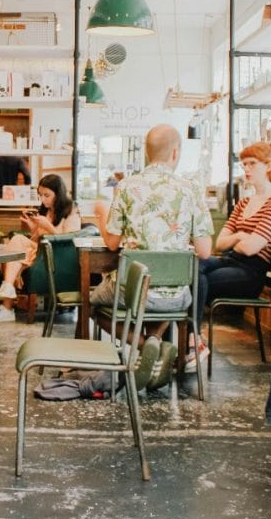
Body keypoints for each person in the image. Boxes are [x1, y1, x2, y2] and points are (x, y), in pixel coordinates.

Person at [91, 124, 214, 385]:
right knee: (164, 297)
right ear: (175, 153)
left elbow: (112, 243)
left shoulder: (126, 187)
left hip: (132, 293)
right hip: (178, 297)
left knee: (93, 302)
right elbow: (204, 251)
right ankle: (155, 342)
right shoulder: (191, 189)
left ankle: (146, 345)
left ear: (147, 153)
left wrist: (101, 216)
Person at [196, 141, 271, 330]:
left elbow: (251, 248)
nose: (246, 169)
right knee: (192, 266)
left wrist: (241, 241)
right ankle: (190, 338)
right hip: (230, 260)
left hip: (251, 273)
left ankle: (191, 337)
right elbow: (220, 244)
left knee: (196, 281)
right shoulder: (244, 203)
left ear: (268, 166)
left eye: (252, 163)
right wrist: (239, 236)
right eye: (244, 164)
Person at [0, 174, 81, 323]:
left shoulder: (71, 210)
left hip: (56, 256)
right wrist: (32, 226)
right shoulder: (46, 210)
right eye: (40, 195)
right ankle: (8, 294)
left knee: (15, 251)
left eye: (47, 195)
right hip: (40, 251)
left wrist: (47, 226)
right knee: (14, 247)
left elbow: (69, 240)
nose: (43, 199)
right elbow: (36, 238)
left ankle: (7, 306)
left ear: (58, 193)